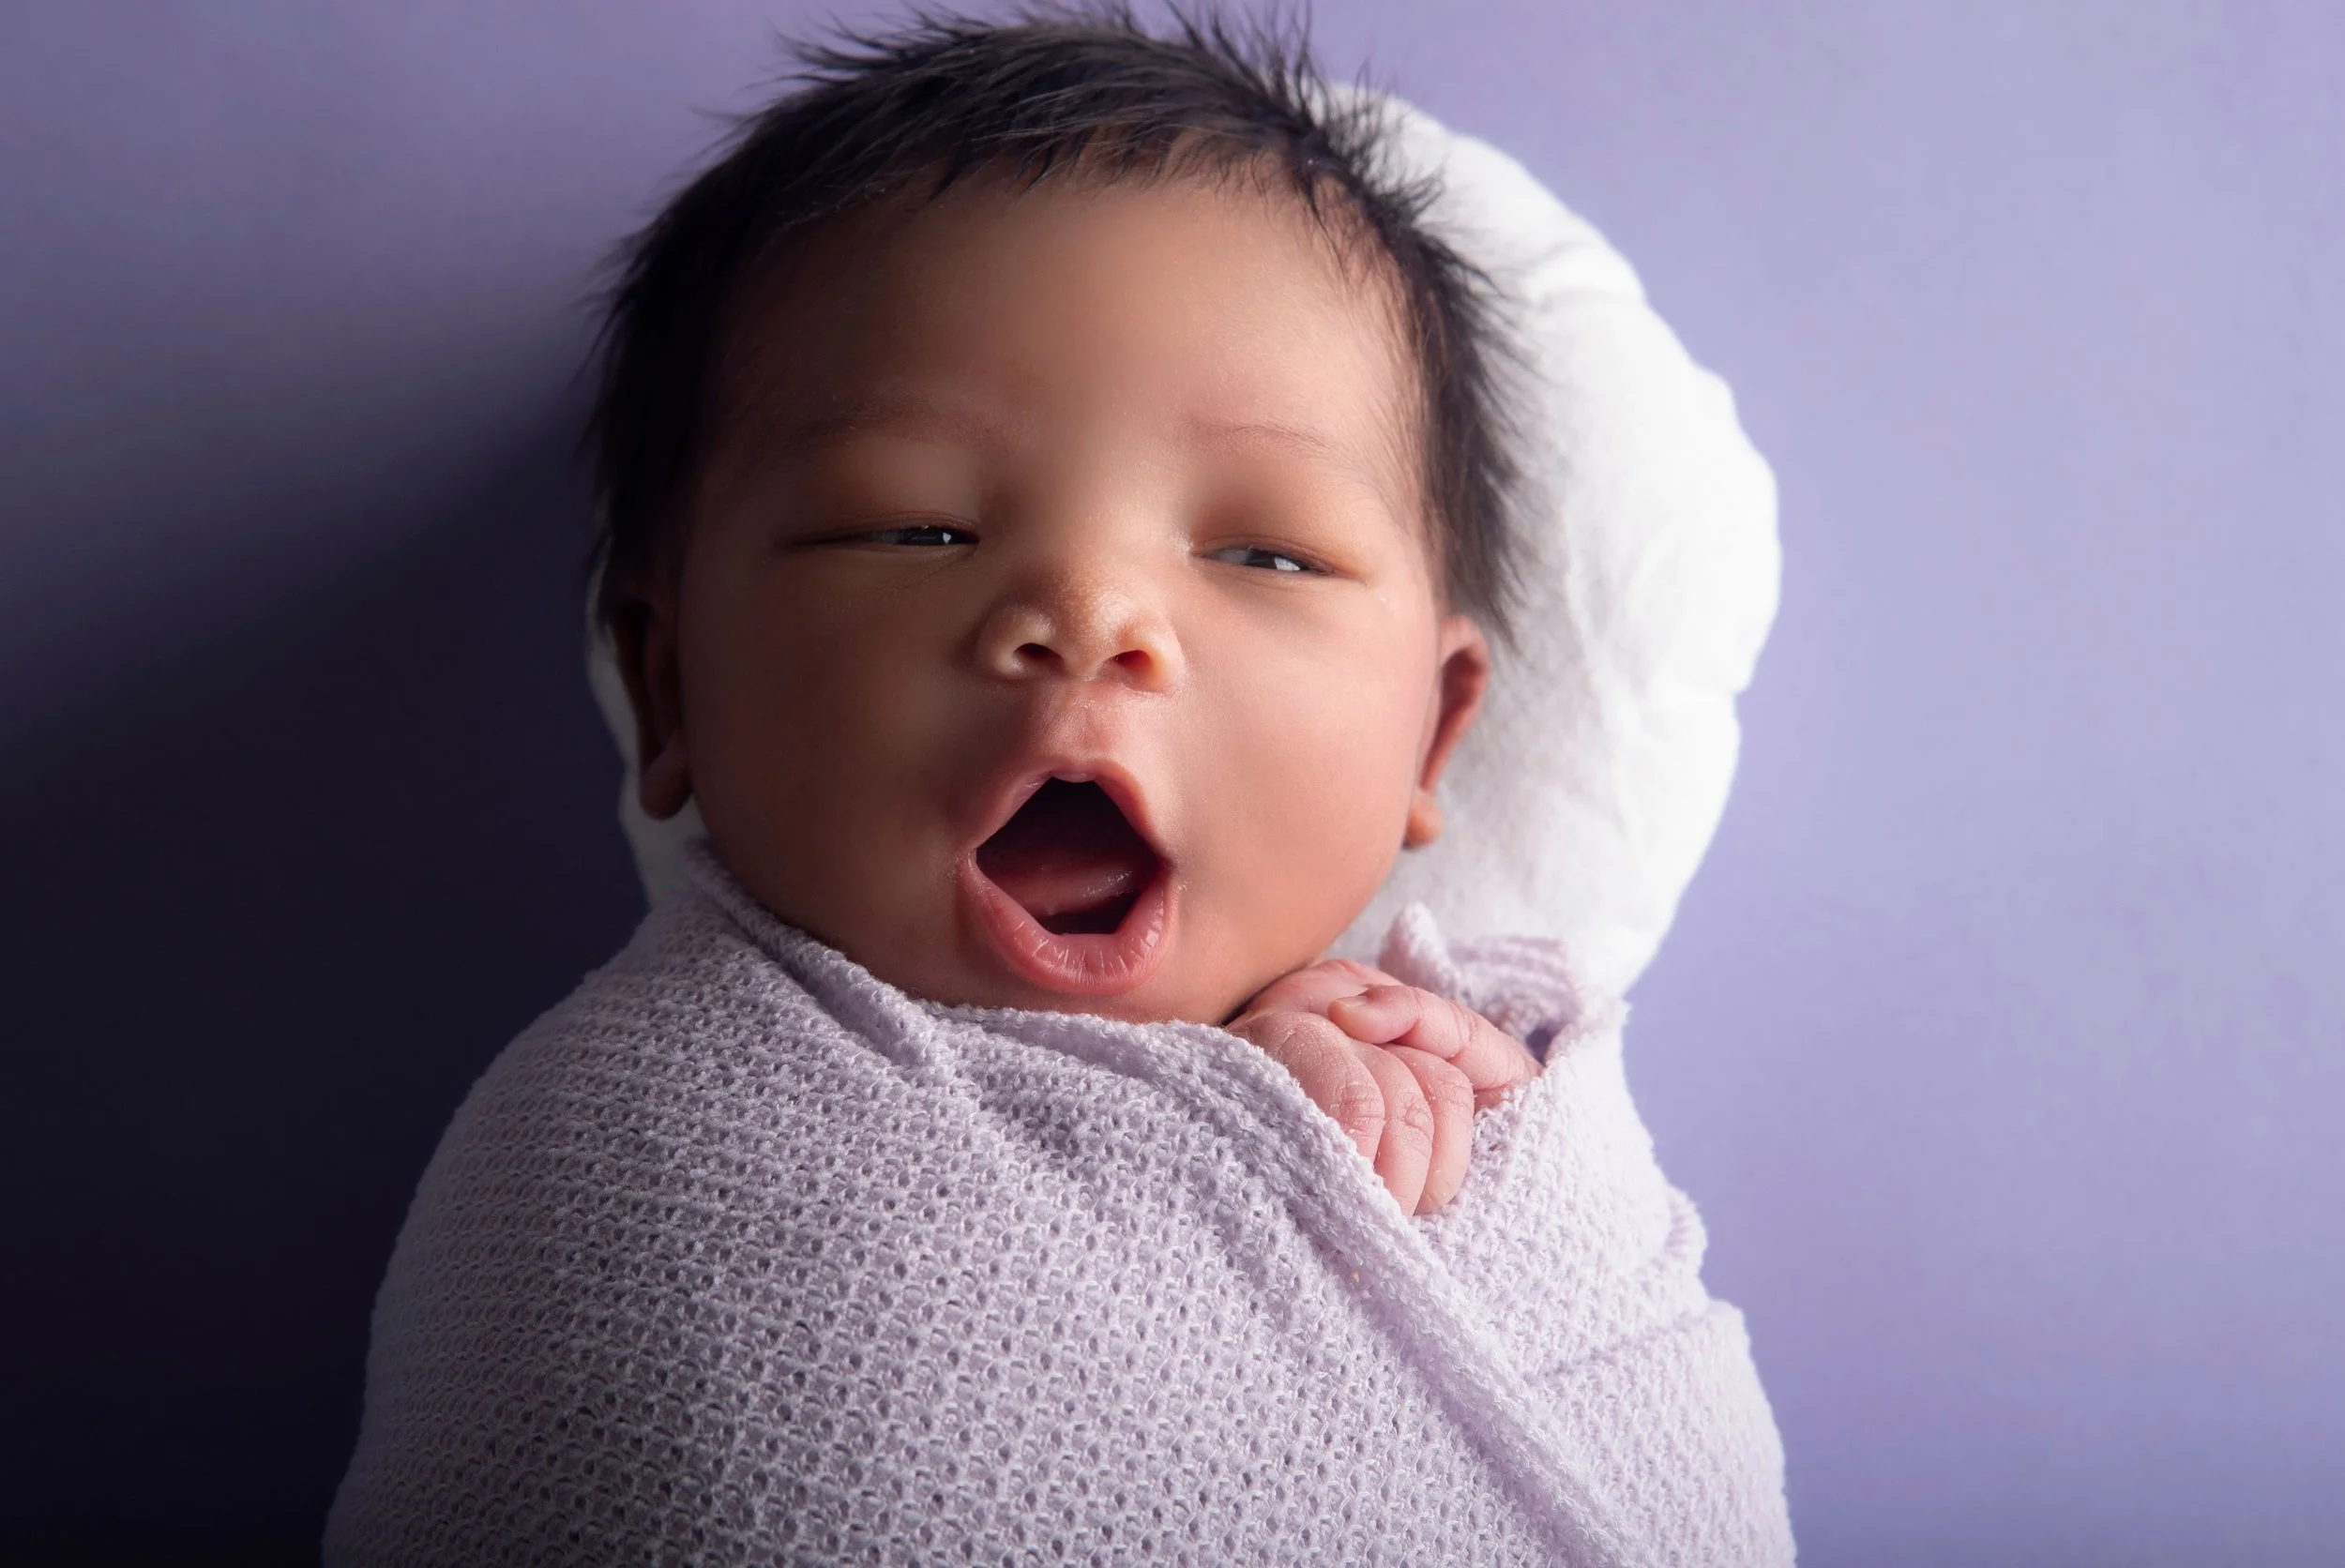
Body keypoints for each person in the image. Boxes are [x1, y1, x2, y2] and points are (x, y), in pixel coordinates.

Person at [326, 10, 1793, 1564]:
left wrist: (1287, 1138)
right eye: (912, 528)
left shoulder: (1477, 1094)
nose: (1090, 615)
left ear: (1432, 739)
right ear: (668, 679)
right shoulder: (618, 1161)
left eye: (1264, 552)